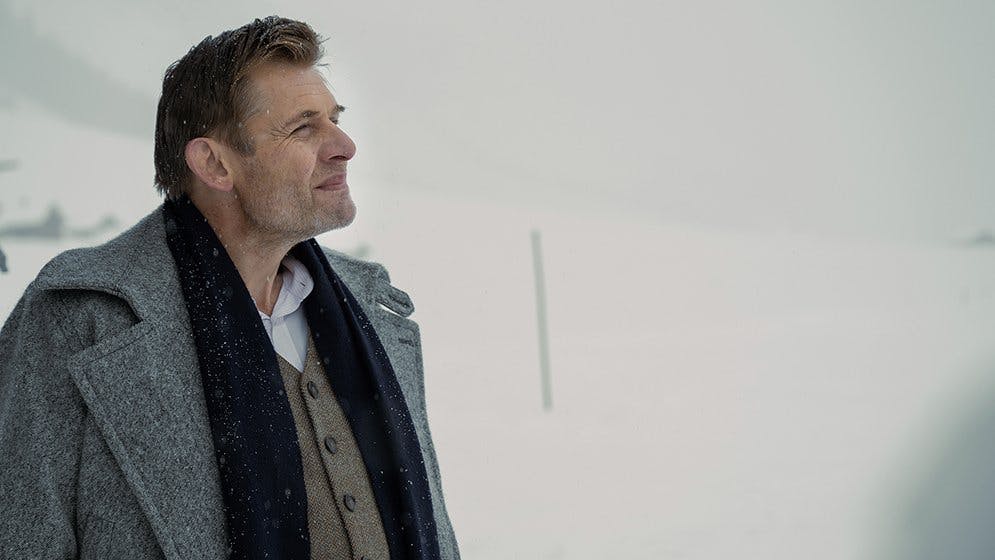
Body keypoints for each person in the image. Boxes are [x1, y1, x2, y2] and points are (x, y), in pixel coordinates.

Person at [0, 16, 459, 560]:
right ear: (215, 164)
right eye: (303, 128)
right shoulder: (82, 319)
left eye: (335, 119)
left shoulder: (373, 313)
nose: (345, 145)